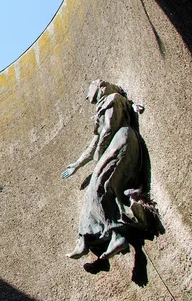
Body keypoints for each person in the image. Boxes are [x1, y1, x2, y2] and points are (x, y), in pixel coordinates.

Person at [61, 79, 159, 262]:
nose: (86, 95)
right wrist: (76, 164)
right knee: (93, 191)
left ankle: (116, 235)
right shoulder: (102, 108)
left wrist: (98, 160)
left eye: (89, 89)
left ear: (99, 87)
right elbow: (94, 144)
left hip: (122, 141)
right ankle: (87, 237)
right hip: (113, 145)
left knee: (100, 186)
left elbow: (108, 130)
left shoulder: (112, 99)